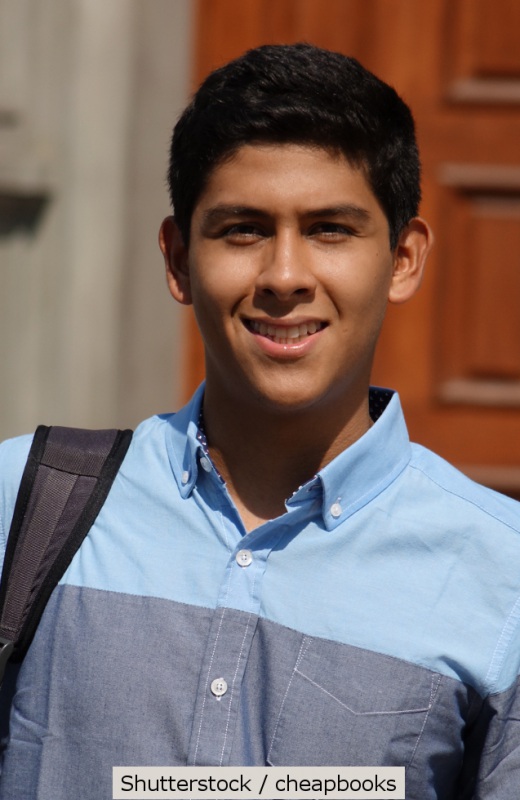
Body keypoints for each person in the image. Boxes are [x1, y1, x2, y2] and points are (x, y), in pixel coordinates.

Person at [0, 42, 519, 800]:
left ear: (403, 259)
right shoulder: (24, 504)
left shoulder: (501, 579)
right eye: (243, 229)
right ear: (178, 260)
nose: (284, 276)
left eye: (330, 229)